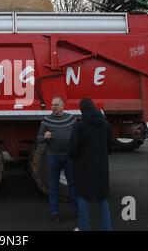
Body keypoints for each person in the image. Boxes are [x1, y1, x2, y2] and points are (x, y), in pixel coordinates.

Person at [68, 97, 114, 231]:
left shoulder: (80, 125)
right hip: (101, 167)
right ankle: (107, 227)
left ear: (81, 109)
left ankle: (84, 228)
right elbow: (110, 146)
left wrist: (74, 157)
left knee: (83, 197)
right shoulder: (105, 124)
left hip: (83, 167)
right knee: (102, 198)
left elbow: (72, 149)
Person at [37, 96, 77, 222]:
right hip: (53, 156)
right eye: (52, 105)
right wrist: (45, 136)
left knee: (73, 185)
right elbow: (39, 138)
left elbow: (77, 136)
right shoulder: (46, 120)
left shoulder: (71, 119)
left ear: (62, 106)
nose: (53, 107)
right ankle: (55, 212)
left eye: (56, 104)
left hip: (68, 157)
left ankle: (77, 212)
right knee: (53, 186)